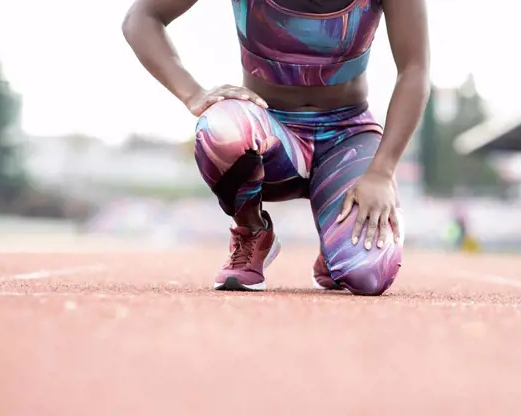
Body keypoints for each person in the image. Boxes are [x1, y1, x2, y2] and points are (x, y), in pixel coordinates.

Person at [122, 0, 430, 295]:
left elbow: (415, 68)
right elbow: (141, 18)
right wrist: (192, 94)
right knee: (220, 127)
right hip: (271, 132)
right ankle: (252, 231)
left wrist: (381, 172)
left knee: (367, 275)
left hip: (347, 136)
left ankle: (335, 248)